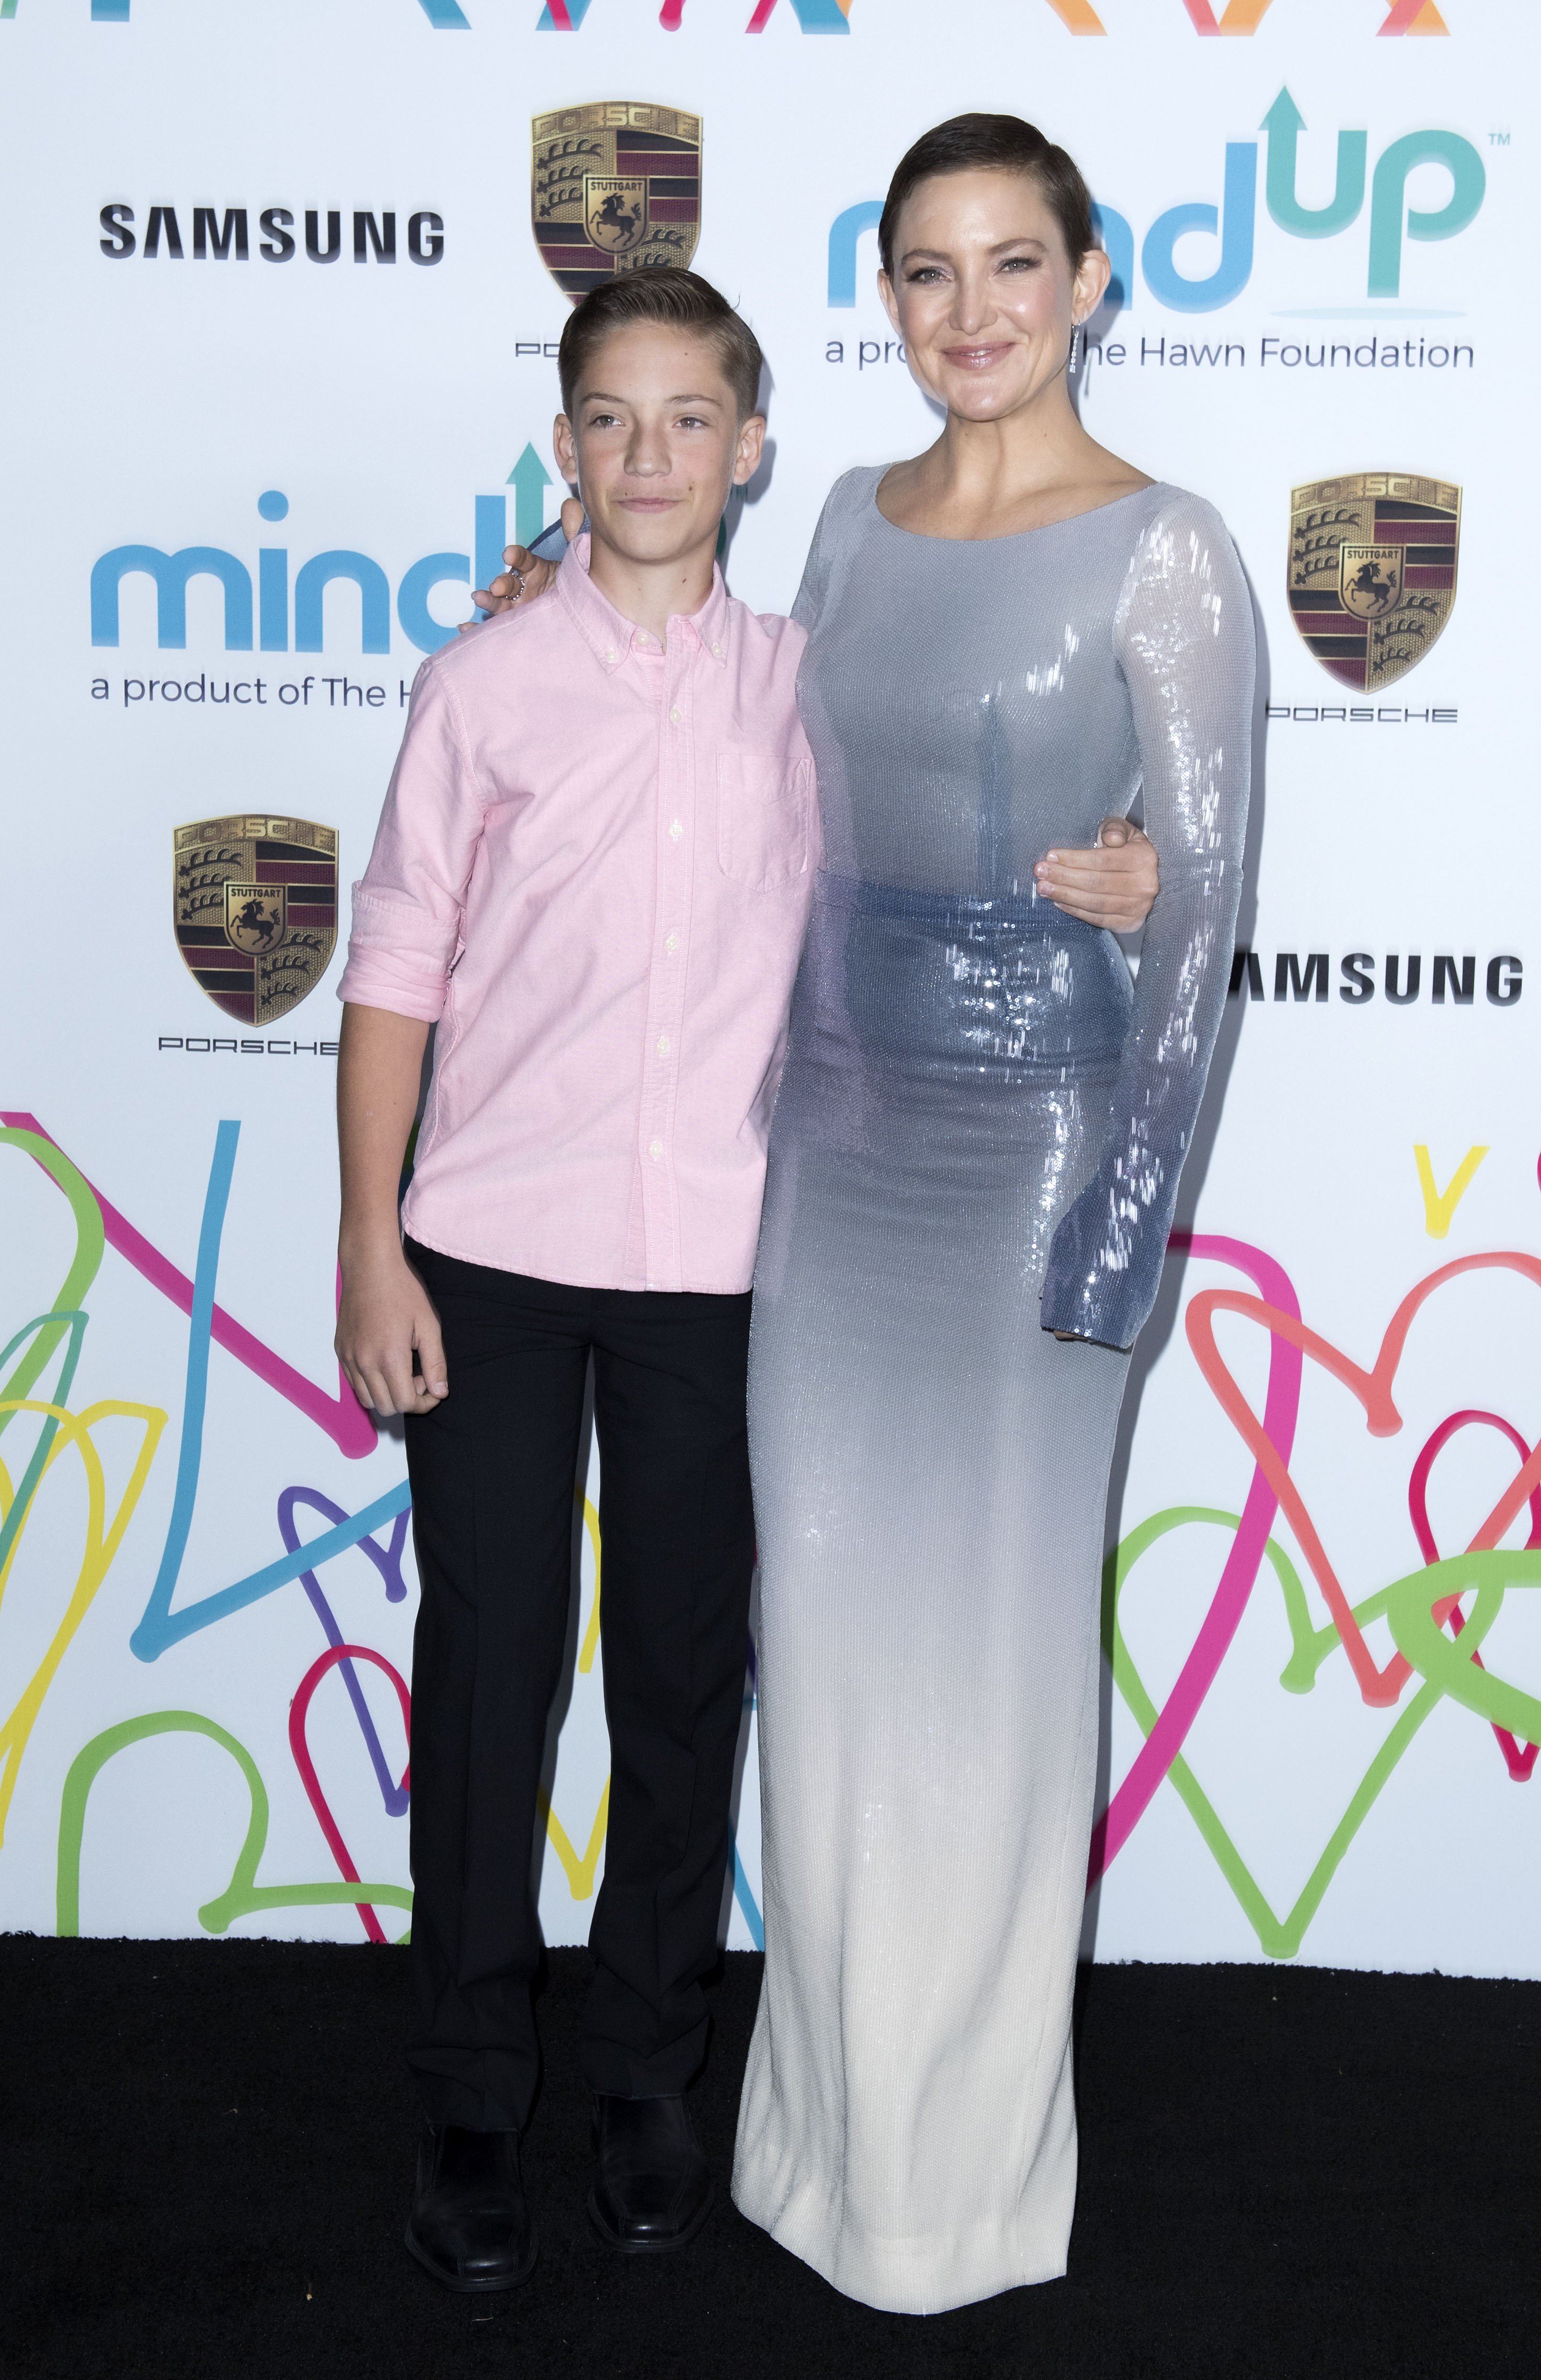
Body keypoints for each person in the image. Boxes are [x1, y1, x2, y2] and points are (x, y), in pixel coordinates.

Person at [347, 266, 1161, 2296]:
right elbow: (390, 976)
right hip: (493, 1252)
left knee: (686, 1681)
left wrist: (1132, 861)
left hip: (733, 1263)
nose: (649, 457)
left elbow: (961, 811)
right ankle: (469, 2089)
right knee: (492, 1673)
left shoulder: (805, 680)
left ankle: (643, 2072)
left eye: (689, 419)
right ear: (564, 449)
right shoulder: (485, 686)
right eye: (610, 422)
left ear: (755, 445)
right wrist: (369, 1242)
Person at [730, 117, 1253, 2313]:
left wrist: (1121, 1231)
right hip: (825, 1166)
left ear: (1092, 277)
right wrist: (541, 593)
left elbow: (1208, 915)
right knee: (832, 1661)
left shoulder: (1170, 551)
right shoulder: (840, 521)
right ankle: (819, 2142)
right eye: (927, 272)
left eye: (1011, 264)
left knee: (998, 1674)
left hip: (1040, 1157)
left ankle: (954, 2192)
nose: (972, 313)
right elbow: (743, 762)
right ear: (885, 287)